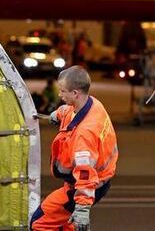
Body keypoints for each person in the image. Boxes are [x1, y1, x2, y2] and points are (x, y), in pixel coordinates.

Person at [31, 66, 118, 231]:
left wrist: (82, 209)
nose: (59, 95)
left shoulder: (84, 135)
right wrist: (58, 114)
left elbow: (85, 174)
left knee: (39, 224)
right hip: (98, 181)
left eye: (63, 91)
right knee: (65, 224)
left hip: (84, 186)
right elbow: (70, 111)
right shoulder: (93, 105)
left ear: (75, 93)